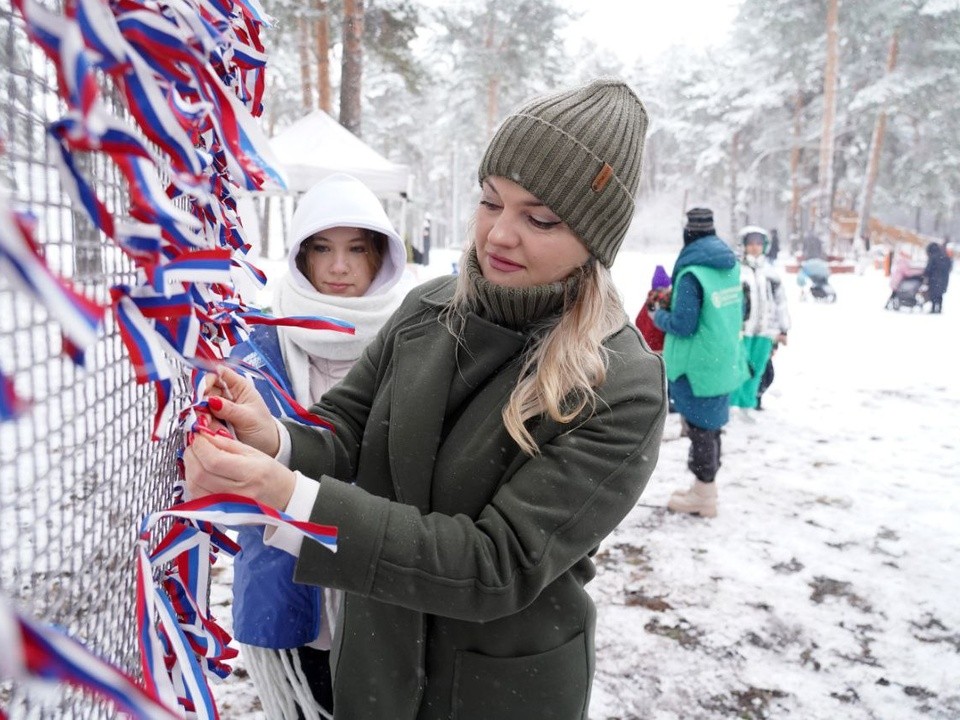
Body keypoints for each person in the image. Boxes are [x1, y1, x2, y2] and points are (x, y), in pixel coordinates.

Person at [184, 78, 666, 720]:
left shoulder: (622, 382)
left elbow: (496, 564)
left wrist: (287, 497)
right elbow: (345, 432)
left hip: (496, 691)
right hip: (377, 664)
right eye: (491, 202)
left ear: (595, 241)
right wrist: (271, 437)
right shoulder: (427, 309)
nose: (499, 234)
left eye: (540, 218)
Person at [230, 172, 410, 719]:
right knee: (310, 698)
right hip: (291, 573)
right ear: (300, 256)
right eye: (322, 249)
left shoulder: (414, 336)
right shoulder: (259, 339)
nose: (339, 267)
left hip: (384, 567)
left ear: (382, 256)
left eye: (357, 249)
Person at [653, 208, 744, 518]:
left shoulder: (693, 273)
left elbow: (684, 324)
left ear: (688, 234)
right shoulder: (729, 266)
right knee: (712, 427)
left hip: (698, 366)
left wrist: (658, 315)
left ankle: (703, 495)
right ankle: (706, 489)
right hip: (723, 358)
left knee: (700, 430)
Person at [729, 226, 790, 411]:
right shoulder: (737, 271)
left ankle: (749, 405)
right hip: (743, 330)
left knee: (757, 369)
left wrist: (783, 329)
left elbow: (781, 303)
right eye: (751, 244)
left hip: (766, 331)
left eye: (759, 244)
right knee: (738, 368)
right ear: (744, 246)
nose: (755, 247)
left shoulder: (771, 273)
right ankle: (733, 406)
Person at [634, 264, 671, 352]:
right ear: (664, 288)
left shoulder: (649, 302)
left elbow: (638, 322)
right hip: (659, 350)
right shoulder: (663, 303)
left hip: (646, 349)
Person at [923, 241, 952, 313]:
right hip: (944, 279)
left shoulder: (933, 257)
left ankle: (933, 308)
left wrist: (925, 274)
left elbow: (928, 268)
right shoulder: (945, 256)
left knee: (933, 294)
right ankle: (939, 308)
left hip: (934, 279)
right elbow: (949, 267)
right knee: (940, 294)